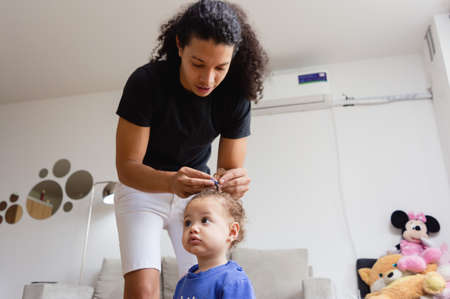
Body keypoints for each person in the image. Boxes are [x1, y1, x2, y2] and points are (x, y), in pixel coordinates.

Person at [114, 0, 268, 298]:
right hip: (142, 188)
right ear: (180, 47)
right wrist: (170, 181)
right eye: (198, 64)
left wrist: (234, 182)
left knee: (205, 282)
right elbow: (127, 168)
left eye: (221, 67)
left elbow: (228, 173)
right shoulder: (146, 83)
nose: (208, 79)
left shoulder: (236, 97)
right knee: (142, 291)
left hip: (197, 197)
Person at [173, 189, 255, 299]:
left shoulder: (234, 281)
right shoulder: (183, 282)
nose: (193, 228)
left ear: (232, 232)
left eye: (205, 220)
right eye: (188, 222)